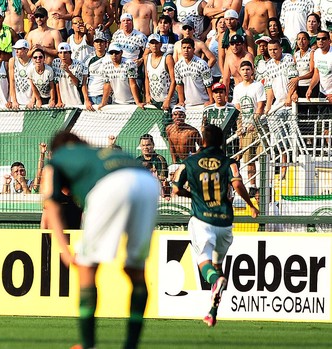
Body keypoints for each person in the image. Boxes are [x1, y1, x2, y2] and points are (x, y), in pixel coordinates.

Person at [41, 130, 159, 349]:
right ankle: (131, 345)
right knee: (136, 269)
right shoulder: (99, 152)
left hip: (110, 187)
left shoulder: (58, 158)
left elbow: (51, 204)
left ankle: (88, 345)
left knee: (87, 267)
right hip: (148, 183)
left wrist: (65, 251)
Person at [172, 124, 259, 327]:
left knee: (205, 263)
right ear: (221, 142)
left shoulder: (189, 162)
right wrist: (251, 206)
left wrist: (191, 194)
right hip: (225, 223)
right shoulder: (229, 162)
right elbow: (237, 184)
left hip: (202, 221)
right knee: (218, 265)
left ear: (202, 141)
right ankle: (212, 312)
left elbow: (175, 189)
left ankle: (215, 281)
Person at [232, 60, 265, 189]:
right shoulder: (238, 88)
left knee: (262, 158)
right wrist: (240, 127)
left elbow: (260, 107)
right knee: (249, 159)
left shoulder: (258, 86)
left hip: (259, 127)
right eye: (243, 69)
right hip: (246, 129)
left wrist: (254, 122)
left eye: (248, 69)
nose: (245, 72)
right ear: (240, 72)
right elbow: (237, 109)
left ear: (252, 71)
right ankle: (252, 186)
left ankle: (263, 184)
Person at [98, 42, 143, 108]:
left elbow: (132, 83)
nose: (114, 55)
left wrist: (137, 102)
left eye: (116, 53)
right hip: (116, 102)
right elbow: (107, 84)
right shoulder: (106, 65)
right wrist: (103, 102)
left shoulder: (130, 64)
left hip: (131, 102)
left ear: (121, 52)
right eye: (111, 53)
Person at [174, 38, 214, 106]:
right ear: (181, 49)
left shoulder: (202, 64)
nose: (186, 50)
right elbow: (179, 85)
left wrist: (211, 101)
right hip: (188, 104)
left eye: (189, 48)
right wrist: (181, 101)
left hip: (203, 103)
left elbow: (208, 84)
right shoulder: (178, 65)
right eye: (184, 48)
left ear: (193, 49)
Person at [144, 33, 177, 110]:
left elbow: (173, 80)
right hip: (153, 101)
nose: (154, 45)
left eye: (157, 43)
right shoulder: (147, 58)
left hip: (168, 101)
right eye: (152, 43)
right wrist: (147, 95)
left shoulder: (168, 58)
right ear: (149, 45)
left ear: (161, 44)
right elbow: (146, 78)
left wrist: (168, 99)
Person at [52, 42, 90, 108]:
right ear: (58, 54)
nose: (63, 55)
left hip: (77, 101)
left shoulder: (79, 65)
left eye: (65, 53)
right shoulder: (56, 63)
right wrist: (59, 100)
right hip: (63, 103)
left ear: (70, 53)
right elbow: (57, 82)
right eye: (60, 53)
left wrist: (68, 71)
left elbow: (78, 84)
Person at [84, 31, 109, 106]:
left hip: (104, 95)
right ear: (93, 44)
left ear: (105, 44)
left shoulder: (110, 58)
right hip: (90, 95)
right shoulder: (88, 59)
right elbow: (84, 81)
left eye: (101, 42)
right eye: (97, 42)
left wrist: (104, 100)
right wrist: (86, 99)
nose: (99, 44)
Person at [307, 31, 332, 103]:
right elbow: (317, 73)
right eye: (318, 39)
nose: (320, 41)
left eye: (323, 38)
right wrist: (310, 88)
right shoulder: (317, 53)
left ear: (329, 41)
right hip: (322, 93)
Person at [8, 39, 32, 109]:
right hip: (17, 100)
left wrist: (33, 100)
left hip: (30, 99)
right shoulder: (12, 60)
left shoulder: (33, 62)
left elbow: (34, 83)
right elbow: (12, 81)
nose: (16, 51)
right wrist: (14, 100)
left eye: (19, 49)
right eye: (16, 49)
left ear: (26, 50)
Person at [294, 31, 314, 98]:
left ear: (308, 41)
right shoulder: (296, 54)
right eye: (299, 39)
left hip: (310, 86)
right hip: (299, 86)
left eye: (304, 39)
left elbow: (312, 72)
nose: (301, 41)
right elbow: (294, 72)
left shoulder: (311, 53)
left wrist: (299, 78)